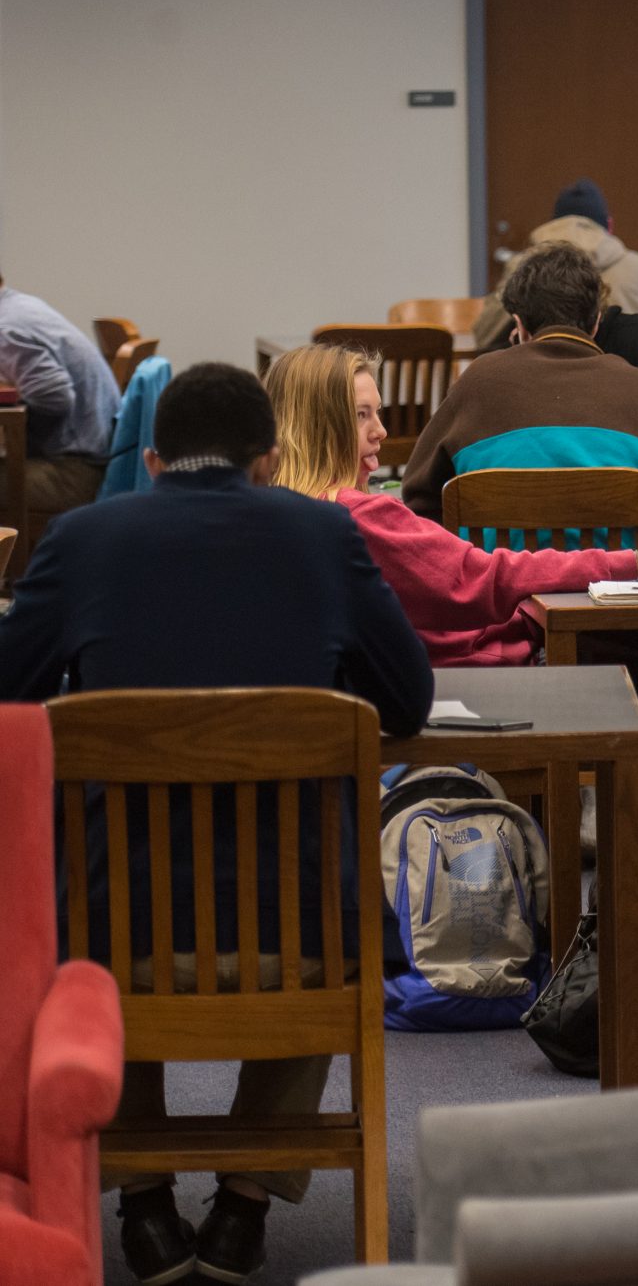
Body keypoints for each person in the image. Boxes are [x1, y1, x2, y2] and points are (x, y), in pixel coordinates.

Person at [0, 362, 431, 1286]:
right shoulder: (325, 533)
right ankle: (242, 1206)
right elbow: (410, 693)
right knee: (326, 890)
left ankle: (145, 1205)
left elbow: (8, 697)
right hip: (300, 949)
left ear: (150, 460)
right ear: (269, 460)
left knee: (109, 888)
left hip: (121, 947)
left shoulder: (80, 539)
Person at [266, 344, 638, 665]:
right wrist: (632, 562)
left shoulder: (277, 513)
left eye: (377, 413)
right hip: (468, 680)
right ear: (321, 426)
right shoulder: (364, 518)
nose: (381, 430)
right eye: (362, 415)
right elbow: (485, 578)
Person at [403, 242, 638, 524]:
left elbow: (418, 497)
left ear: (519, 326)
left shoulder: (476, 384)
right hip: (624, 599)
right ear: (596, 323)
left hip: (503, 599)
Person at [470, 178, 638, 350]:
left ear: (553, 225)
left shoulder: (523, 267)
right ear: (608, 226)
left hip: (541, 392)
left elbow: (485, 336)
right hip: (630, 392)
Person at [0, 269, 121, 535]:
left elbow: (54, 397)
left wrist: (22, 443)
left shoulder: (4, 328)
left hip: (72, 475)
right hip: (95, 460)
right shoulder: (20, 306)